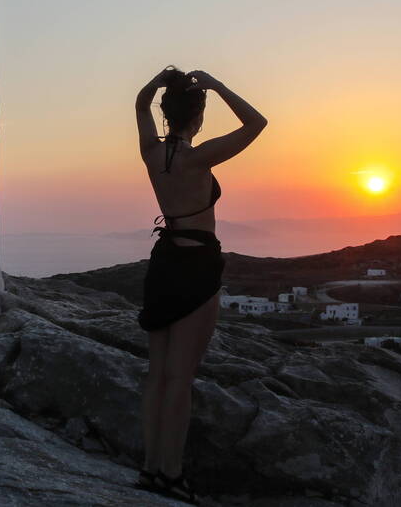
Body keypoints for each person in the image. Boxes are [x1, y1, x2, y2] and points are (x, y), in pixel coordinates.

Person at [132, 66, 267, 503]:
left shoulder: (152, 152)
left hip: (164, 260)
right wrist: (219, 85)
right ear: (198, 116)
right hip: (196, 264)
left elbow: (139, 104)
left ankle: (152, 469)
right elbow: (256, 123)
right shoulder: (197, 157)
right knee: (180, 379)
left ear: (166, 114)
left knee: (158, 375)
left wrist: (157, 86)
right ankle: (171, 474)